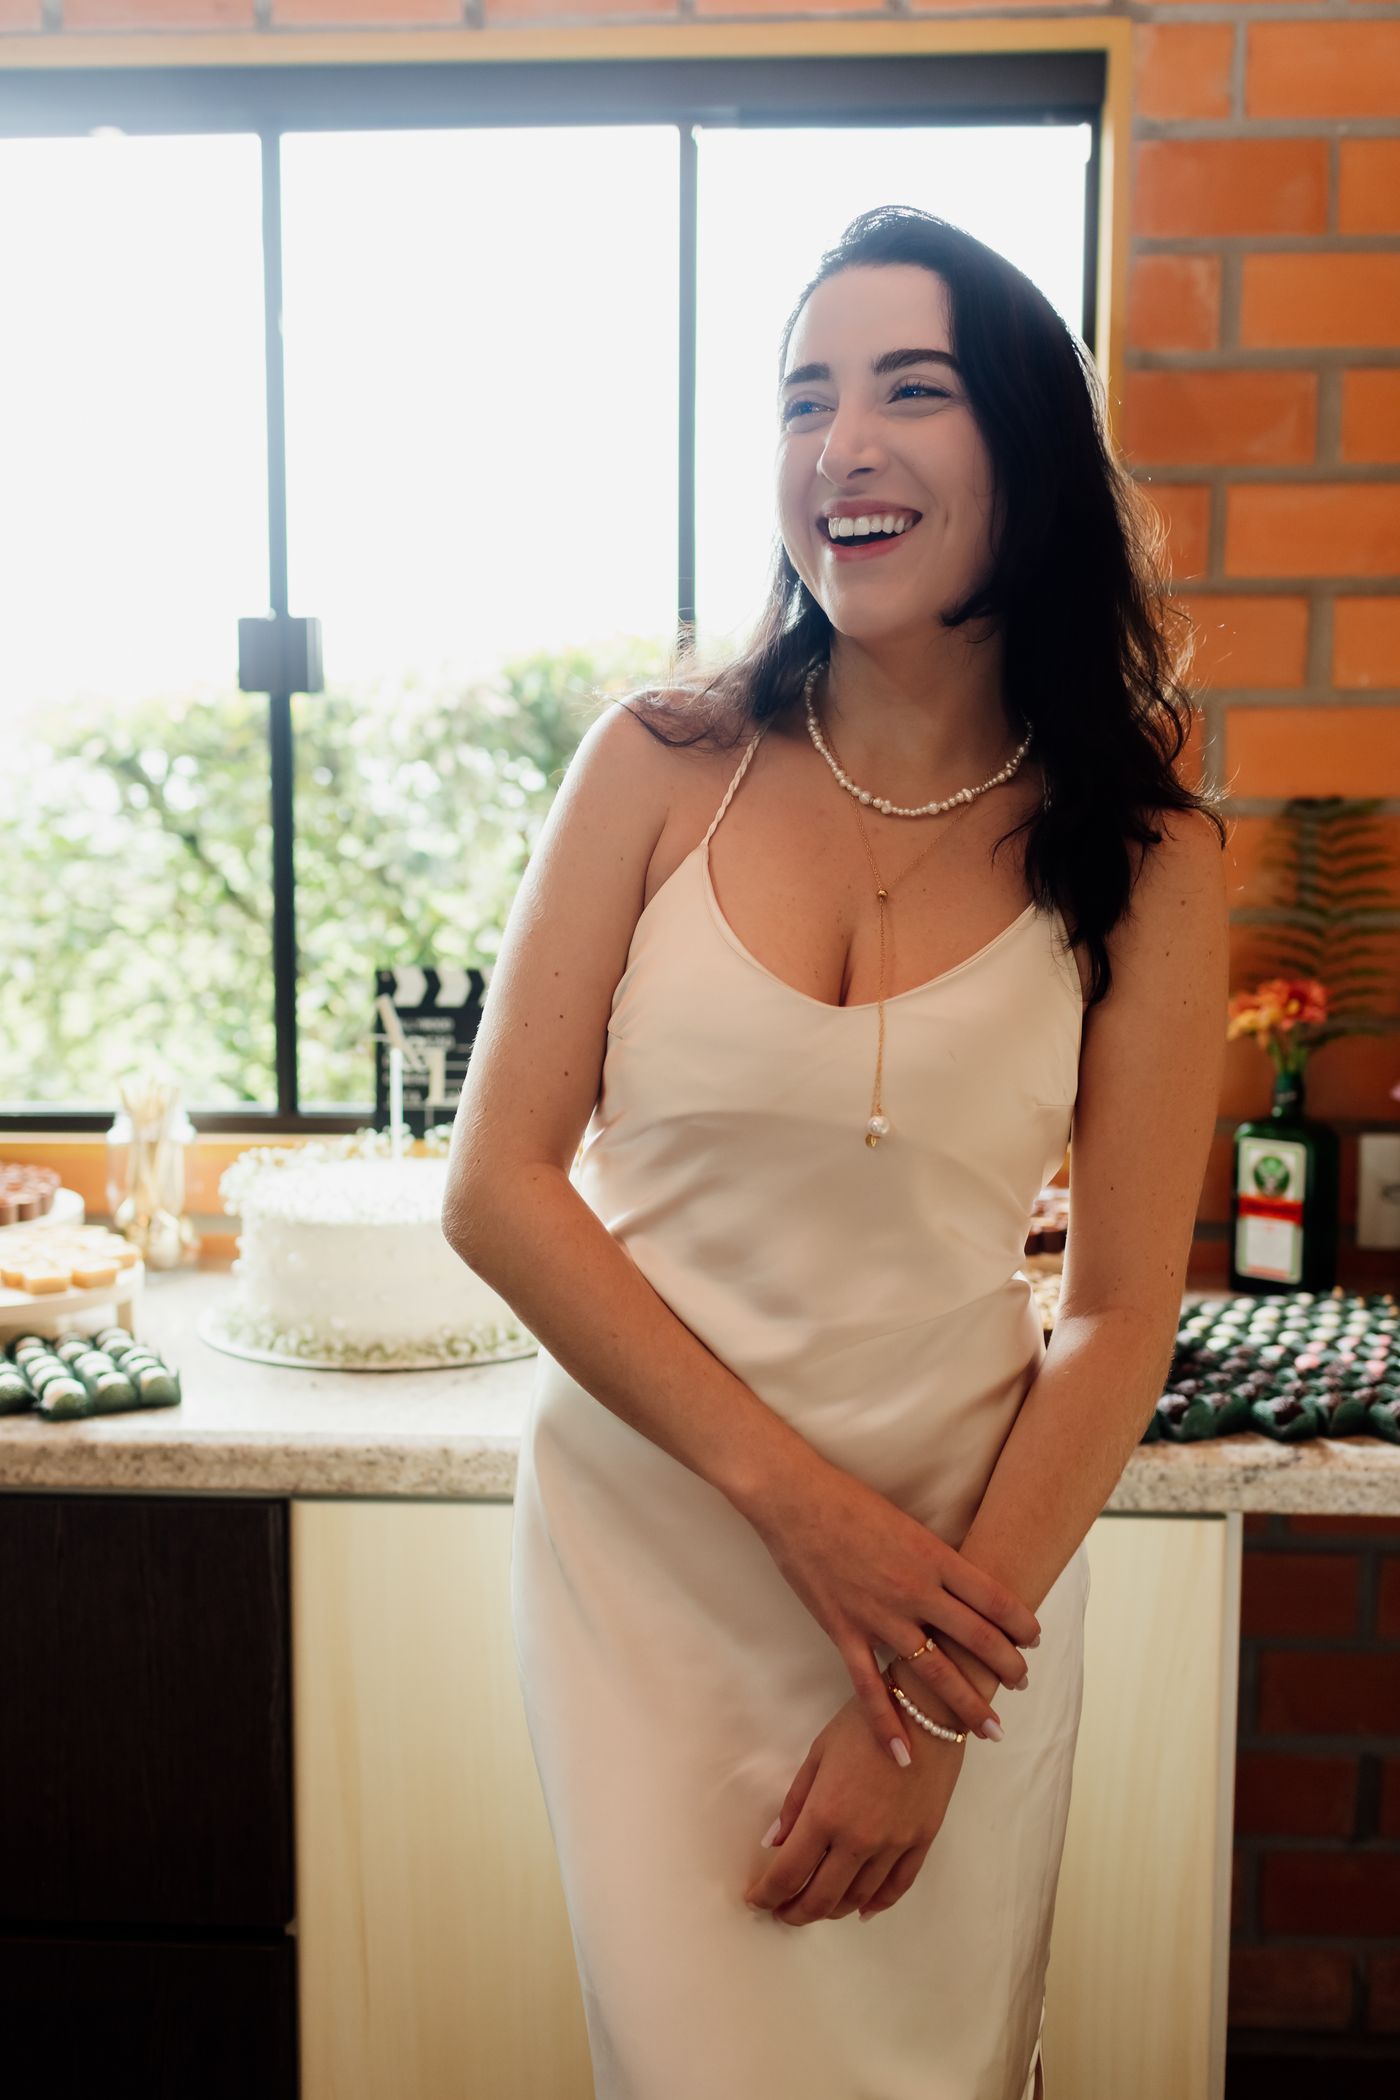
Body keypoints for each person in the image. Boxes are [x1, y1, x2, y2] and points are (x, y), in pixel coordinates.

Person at [442, 205, 1228, 2100]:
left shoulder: (1148, 851)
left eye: (910, 390)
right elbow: (499, 1187)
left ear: (1024, 452)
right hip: (654, 1565)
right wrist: (796, 1507)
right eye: (805, 399)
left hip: (960, 1593)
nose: (840, 446)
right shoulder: (657, 763)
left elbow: (1119, 1313)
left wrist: (930, 1710)